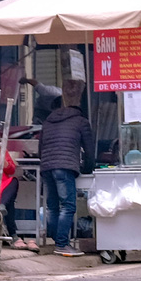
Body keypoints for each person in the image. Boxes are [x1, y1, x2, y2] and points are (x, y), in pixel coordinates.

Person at [37, 79, 94, 257]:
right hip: (65, 166)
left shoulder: (48, 121)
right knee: (68, 206)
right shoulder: (81, 121)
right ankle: (62, 244)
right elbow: (90, 150)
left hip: (47, 166)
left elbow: (40, 148)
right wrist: (87, 169)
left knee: (52, 206)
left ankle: (55, 241)